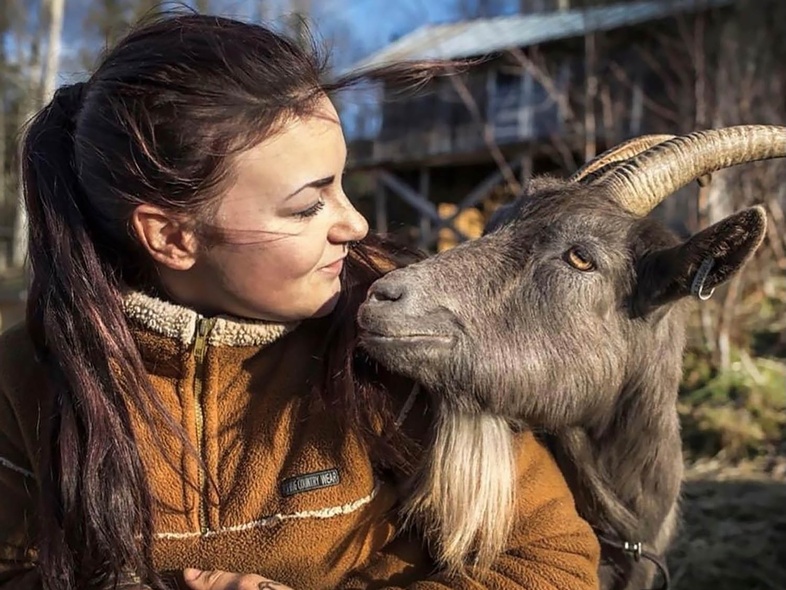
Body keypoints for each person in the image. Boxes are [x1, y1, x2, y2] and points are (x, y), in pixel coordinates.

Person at [0, 12, 600, 590]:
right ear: (171, 236)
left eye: (341, 183)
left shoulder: (399, 346)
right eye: (307, 205)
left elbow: (551, 558)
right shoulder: (23, 382)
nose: (357, 224)